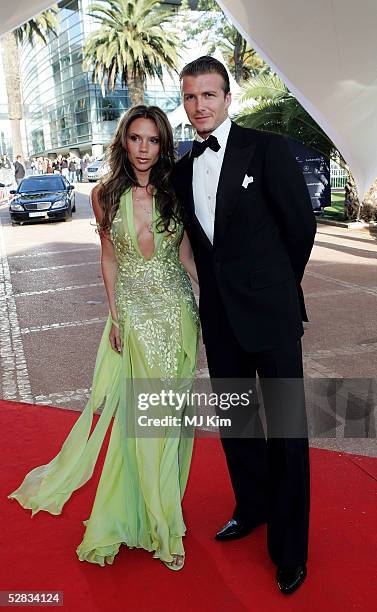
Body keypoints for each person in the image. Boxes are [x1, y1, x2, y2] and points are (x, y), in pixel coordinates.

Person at [8, 105, 200, 571]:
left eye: (153, 141)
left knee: (168, 420)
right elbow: (110, 260)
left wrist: (215, 303)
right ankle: (155, 520)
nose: (143, 149)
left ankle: (160, 505)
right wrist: (115, 317)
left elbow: (190, 260)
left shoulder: (176, 192)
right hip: (135, 319)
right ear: (123, 141)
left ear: (163, 146)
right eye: (136, 138)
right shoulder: (103, 196)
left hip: (178, 316)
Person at [173, 56, 316, 594]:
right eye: (190, 97)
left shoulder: (266, 148)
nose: (200, 105)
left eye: (209, 95)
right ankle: (252, 508)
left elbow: (299, 228)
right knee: (237, 427)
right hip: (221, 320)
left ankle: (291, 548)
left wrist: (273, 288)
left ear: (228, 99)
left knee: (286, 431)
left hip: (272, 316)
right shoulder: (183, 170)